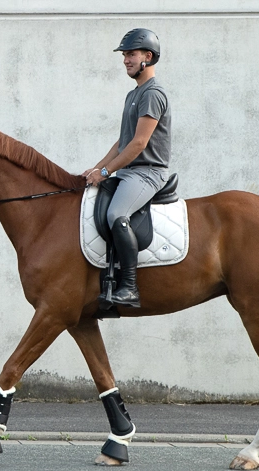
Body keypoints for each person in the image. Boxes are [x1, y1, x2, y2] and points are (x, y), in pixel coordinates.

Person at [83, 28, 171, 309]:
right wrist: (96, 169)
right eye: (124, 55)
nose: (125, 60)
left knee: (116, 213)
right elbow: (122, 141)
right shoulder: (134, 94)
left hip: (148, 172)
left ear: (148, 56)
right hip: (130, 171)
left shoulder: (153, 94)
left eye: (130, 54)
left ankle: (129, 287)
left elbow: (138, 144)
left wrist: (106, 173)